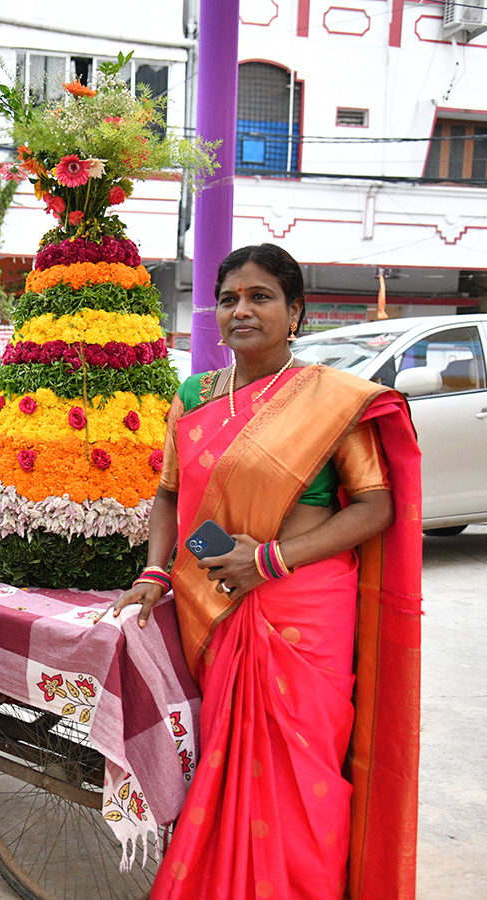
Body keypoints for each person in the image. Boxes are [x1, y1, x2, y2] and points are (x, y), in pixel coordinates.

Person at [113, 243, 422, 900]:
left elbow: (376, 507)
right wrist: (155, 572)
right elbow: (170, 493)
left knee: (303, 773)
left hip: (304, 609)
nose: (241, 310)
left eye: (260, 297)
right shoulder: (194, 394)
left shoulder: (330, 400)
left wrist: (270, 560)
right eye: (228, 299)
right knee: (231, 761)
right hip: (220, 604)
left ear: (295, 313)